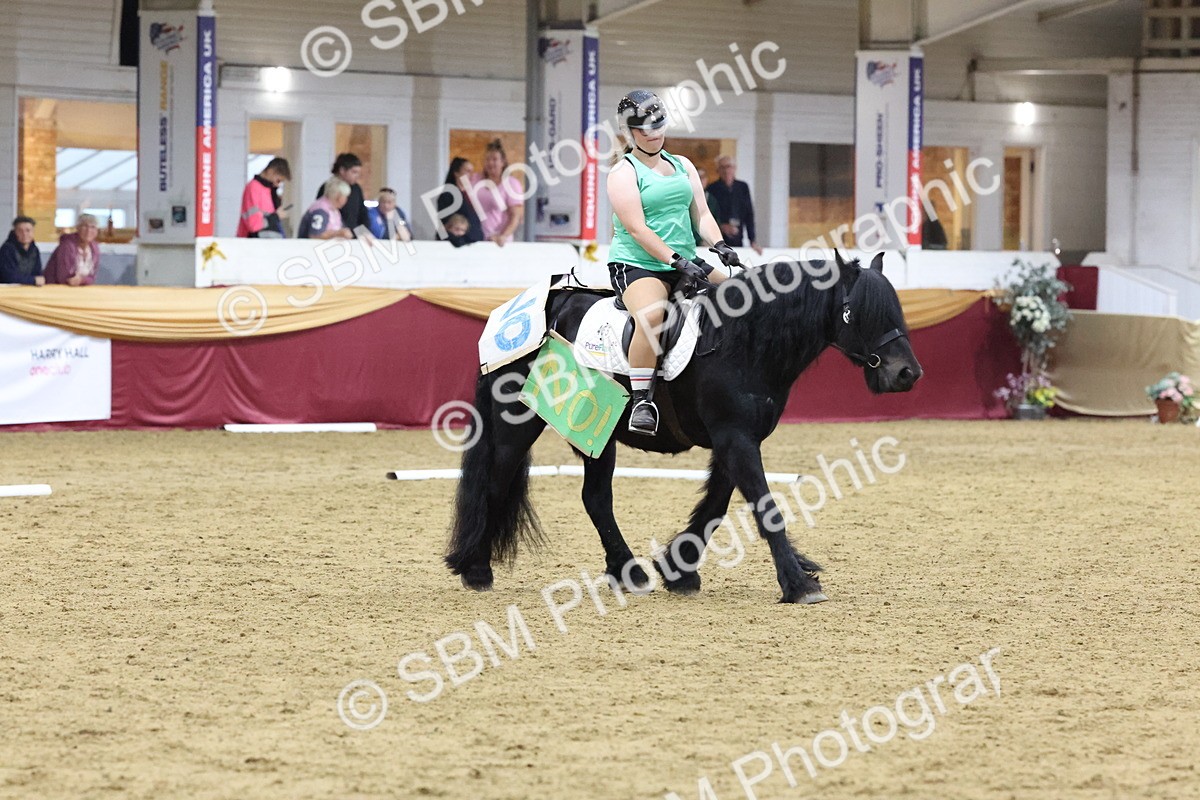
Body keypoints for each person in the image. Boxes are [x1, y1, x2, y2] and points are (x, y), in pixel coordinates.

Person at [607, 89, 738, 435]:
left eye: (659, 126)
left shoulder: (683, 166)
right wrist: (675, 259)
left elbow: (703, 215)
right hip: (639, 265)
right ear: (630, 132)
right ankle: (641, 401)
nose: (654, 133)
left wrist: (720, 244)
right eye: (645, 128)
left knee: (746, 294)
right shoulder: (623, 173)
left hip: (686, 260)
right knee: (652, 316)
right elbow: (636, 229)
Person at [469, 140, 523, 246]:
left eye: (494, 159)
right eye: (487, 159)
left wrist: (503, 236)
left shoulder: (511, 183)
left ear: (503, 162)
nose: (490, 163)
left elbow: (515, 216)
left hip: (498, 241)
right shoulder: (475, 179)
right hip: (476, 239)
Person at [706, 155, 763, 255]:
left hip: (737, 237)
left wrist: (752, 240)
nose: (726, 170)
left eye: (728, 166)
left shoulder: (742, 187)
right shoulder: (712, 189)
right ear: (718, 170)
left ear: (734, 168)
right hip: (718, 238)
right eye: (722, 167)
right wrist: (721, 226)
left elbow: (749, 214)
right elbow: (707, 214)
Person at [237, 157, 290, 238]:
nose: (277, 184)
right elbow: (253, 225)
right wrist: (276, 216)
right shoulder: (253, 188)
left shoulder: (269, 191)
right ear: (271, 171)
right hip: (252, 242)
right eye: (278, 180)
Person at [316, 153, 368, 234]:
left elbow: (362, 214)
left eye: (358, 173)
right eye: (354, 172)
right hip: (334, 235)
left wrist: (363, 234)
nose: (357, 176)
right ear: (342, 170)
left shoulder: (356, 189)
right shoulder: (327, 188)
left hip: (353, 236)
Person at [436, 157, 484, 244]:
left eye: (472, 172)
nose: (471, 175)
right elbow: (446, 225)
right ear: (456, 173)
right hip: (454, 245)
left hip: (472, 243)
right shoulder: (447, 195)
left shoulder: (469, 196)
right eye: (467, 171)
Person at [44, 214, 101, 285]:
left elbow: (92, 277)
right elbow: (64, 278)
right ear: (78, 228)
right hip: (56, 288)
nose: (88, 230)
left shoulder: (94, 249)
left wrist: (82, 280)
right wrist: (84, 280)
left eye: (93, 227)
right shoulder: (67, 246)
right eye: (85, 226)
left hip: (80, 289)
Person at [0, 216, 44, 285]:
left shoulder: (35, 250)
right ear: (15, 232)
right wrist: (33, 280)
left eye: (28, 230)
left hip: (27, 289)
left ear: (33, 232)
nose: (24, 234)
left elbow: (38, 273)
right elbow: (8, 277)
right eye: (20, 231)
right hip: (7, 290)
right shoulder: (7, 249)